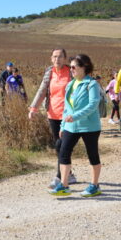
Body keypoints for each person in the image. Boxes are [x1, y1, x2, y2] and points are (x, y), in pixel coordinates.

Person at [49, 54, 103, 197]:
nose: (71, 69)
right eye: (70, 67)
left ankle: (94, 186)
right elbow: (66, 108)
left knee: (93, 155)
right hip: (70, 126)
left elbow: (93, 105)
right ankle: (64, 185)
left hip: (89, 127)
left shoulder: (92, 84)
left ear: (84, 67)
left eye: (74, 67)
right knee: (63, 153)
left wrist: (75, 116)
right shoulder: (71, 84)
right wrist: (62, 126)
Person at [29, 48, 75, 189]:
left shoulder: (71, 72)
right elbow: (42, 91)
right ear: (51, 58)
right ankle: (70, 174)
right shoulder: (49, 72)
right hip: (52, 114)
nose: (57, 59)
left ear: (65, 58)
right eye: (55, 57)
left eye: (60, 56)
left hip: (68, 116)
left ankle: (59, 177)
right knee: (58, 145)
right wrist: (33, 108)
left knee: (62, 145)